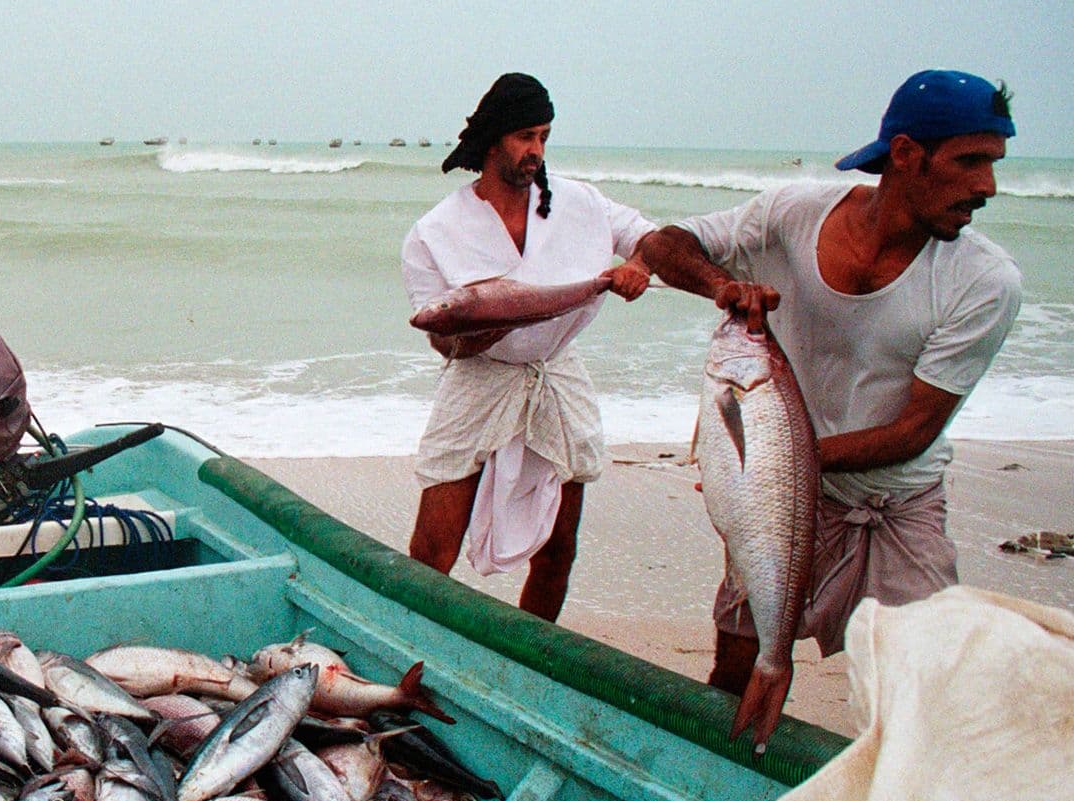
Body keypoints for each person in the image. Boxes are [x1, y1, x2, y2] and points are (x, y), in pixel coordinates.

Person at [638, 69, 1022, 742]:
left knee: (922, 700)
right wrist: (724, 287)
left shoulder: (986, 282)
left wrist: (771, 464)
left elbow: (913, 432)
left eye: (992, 165)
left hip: (894, 506)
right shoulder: (793, 212)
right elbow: (661, 246)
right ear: (905, 154)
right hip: (782, 496)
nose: (986, 187)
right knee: (737, 666)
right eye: (970, 161)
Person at [403, 73, 654, 620]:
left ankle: (532, 653)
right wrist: (473, 337)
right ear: (493, 141)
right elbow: (443, 340)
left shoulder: (582, 204)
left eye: (543, 136)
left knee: (559, 550)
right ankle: (414, 647)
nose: (536, 151)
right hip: (480, 378)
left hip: (558, 373)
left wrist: (638, 265)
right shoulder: (433, 231)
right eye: (525, 137)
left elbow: (653, 239)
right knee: (429, 551)